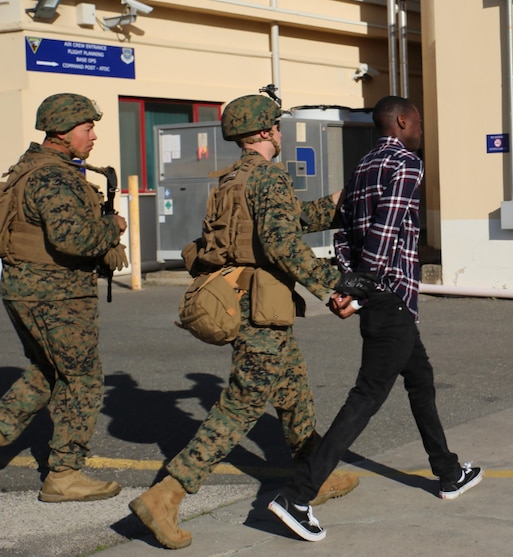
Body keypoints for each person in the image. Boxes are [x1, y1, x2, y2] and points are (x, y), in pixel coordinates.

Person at [129, 94, 358, 549]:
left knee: (293, 392)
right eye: (278, 124)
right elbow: (281, 245)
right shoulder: (269, 177)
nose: (281, 130)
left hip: (248, 304)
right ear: (268, 130)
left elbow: (278, 226)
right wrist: (333, 288)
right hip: (259, 309)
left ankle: (313, 474)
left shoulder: (234, 178)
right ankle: (166, 494)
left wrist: (337, 203)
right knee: (240, 408)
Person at [268, 95, 481, 542]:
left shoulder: (362, 166)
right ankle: (298, 495)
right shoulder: (406, 164)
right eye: (418, 121)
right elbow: (384, 229)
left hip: (379, 296)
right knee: (366, 396)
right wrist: (363, 286)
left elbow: (343, 230)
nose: (421, 129)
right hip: (391, 296)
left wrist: (352, 283)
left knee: (420, 379)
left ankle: (446, 471)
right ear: (401, 121)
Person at [0, 93, 128, 502]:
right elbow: (71, 240)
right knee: (82, 379)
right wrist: (114, 227)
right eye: (86, 128)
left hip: (31, 289)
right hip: (53, 294)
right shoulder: (53, 177)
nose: (93, 136)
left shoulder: (30, 167)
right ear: (61, 131)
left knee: (45, 372)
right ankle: (64, 474)